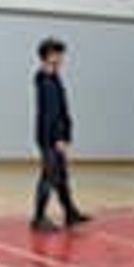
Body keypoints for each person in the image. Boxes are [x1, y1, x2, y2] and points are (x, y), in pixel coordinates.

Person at [31, 38, 90, 232]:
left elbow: (62, 110)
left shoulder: (54, 77)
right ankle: (38, 218)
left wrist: (66, 135)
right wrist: (58, 139)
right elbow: (51, 113)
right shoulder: (45, 79)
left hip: (57, 137)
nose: (61, 58)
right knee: (48, 176)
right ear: (48, 56)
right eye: (58, 54)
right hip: (50, 138)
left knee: (61, 177)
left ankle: (70, 213)